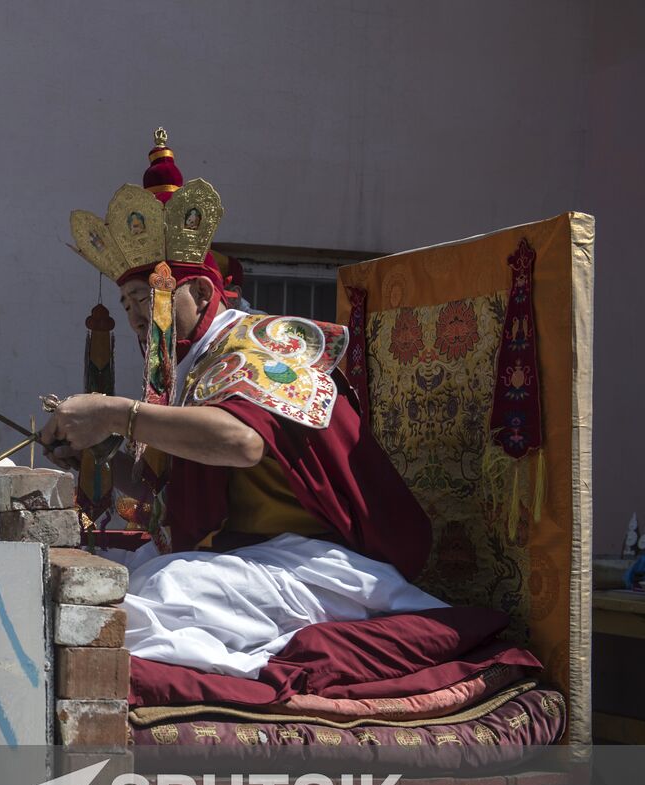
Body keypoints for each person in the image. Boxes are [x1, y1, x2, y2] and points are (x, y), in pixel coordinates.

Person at [48, 138, 442, 679]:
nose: (137, 320)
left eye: (147, 300)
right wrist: (89, 456)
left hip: (315, 563)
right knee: (109, 578)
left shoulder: (261, 342)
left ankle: (254, 675)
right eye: (128, 306)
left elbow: (241, 442)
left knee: (160, 590)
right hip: (245, 557)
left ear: (200, 292)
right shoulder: (184, 376)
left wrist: (116, 414)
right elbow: (158, 494)